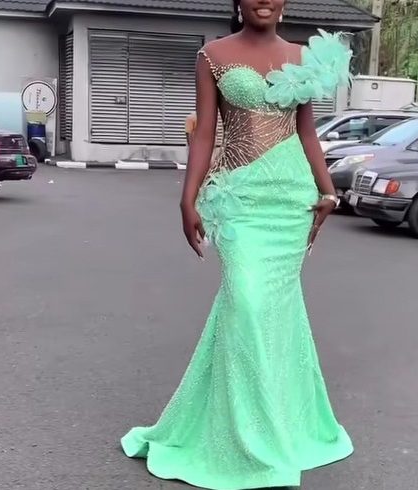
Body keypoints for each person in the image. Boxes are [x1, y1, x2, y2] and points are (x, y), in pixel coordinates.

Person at [121, 1, 353, 488]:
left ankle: (282, 422)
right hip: (241, 198)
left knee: (275, 313)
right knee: (246, 302)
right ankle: (250, 438)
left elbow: (307, 132)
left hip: (292, 199)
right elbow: (206, 132)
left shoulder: (302, 56)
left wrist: (328, 191)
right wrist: (187, 198)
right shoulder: (213, 55)